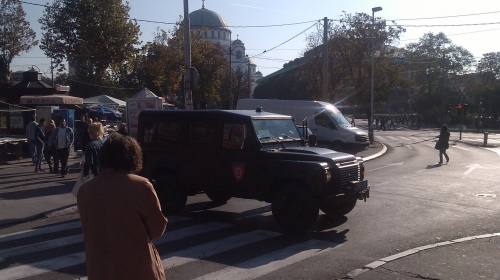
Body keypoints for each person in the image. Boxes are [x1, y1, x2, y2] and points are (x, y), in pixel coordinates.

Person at [77, 133, 167, 280]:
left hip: (100, 268)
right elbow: (157, 229)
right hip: (137, 267)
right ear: (133, 157)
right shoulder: (141, 185)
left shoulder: (85, 189)